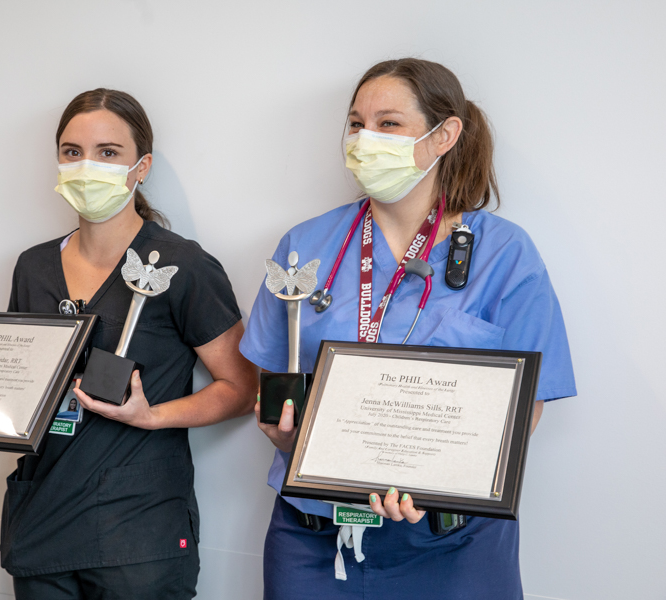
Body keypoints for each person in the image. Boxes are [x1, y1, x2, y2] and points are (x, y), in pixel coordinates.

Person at [240, 58, 576, 599]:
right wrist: (281, 435)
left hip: (452, 547)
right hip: (313, 542)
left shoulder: (504, 255)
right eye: (356, 123)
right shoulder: (305, 246)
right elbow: (273, 376)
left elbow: (525, 406)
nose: (364, 138)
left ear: (444, 135)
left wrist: (441, 481)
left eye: (388, 123)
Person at [0, 88, 258, 599]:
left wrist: (152, 415)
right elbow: (19, 383)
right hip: (43, 523)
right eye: (73, 152)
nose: (87, 166)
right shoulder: (34, 267)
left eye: (108, 153)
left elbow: (242, 388)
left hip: (138, 533)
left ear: (141, 166)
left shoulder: (184, 266)